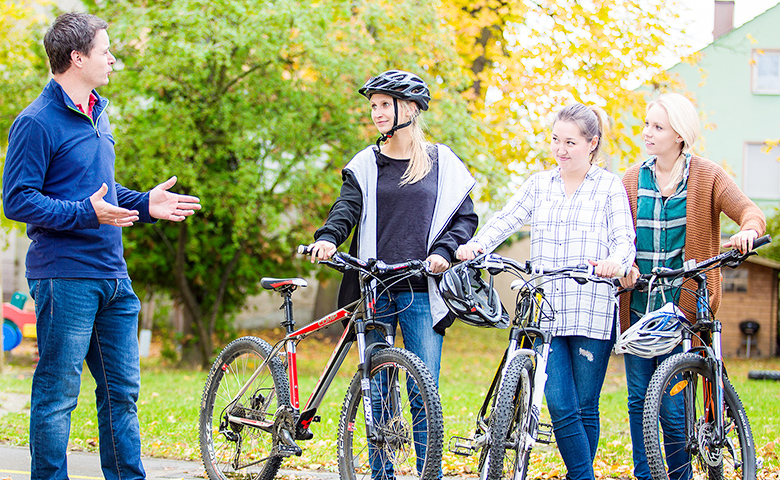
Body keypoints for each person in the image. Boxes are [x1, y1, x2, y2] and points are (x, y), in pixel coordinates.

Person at [2, 13, 201, 480]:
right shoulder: (35, 122)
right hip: (65, 275)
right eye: (104, 50)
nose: (113, 58)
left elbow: (99, 193)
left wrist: (145, 203)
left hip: (113, 275)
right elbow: (18, 200)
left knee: (121, 393)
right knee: (57, 393)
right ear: (76, 57)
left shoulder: (98, 112)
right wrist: (85, 213)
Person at [308, 69, 478, 476]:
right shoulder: (368, 163)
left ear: (411, 108)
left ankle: (427, 473)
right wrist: (329, 237)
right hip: (375, 289)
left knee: (423, 392)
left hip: (422, 288)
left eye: (385, 104)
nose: (378, 113)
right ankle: (382, 473)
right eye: (374, 106)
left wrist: (443, 251)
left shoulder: (443, 163)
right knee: (378, 388)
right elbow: (346, 207)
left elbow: (465, 219)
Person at [457, 103, 636, 480]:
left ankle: (578, 475)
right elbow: (507, 218)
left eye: (570, 142)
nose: (560, 149)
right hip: (548, 310)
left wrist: (615, 262)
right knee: (558, 402)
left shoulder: (608, 187)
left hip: (592, 307)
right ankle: (583, 476)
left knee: (585, 405)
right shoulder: (540, 185)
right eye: (556, 140)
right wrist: (477, 245)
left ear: (592, 143)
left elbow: (624, 240)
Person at [617, 92, 766, 480]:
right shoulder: (631, 179)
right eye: (647, 124)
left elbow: (750, 211)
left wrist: (748, 231)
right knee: (638, 399)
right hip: (637, 309)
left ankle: (679, 476)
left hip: (682, 312)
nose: (647, 133)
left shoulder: (708, 176)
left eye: (658, 127)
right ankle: (645, 475)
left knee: (672, 406)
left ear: (680, 135)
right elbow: (613, 235)